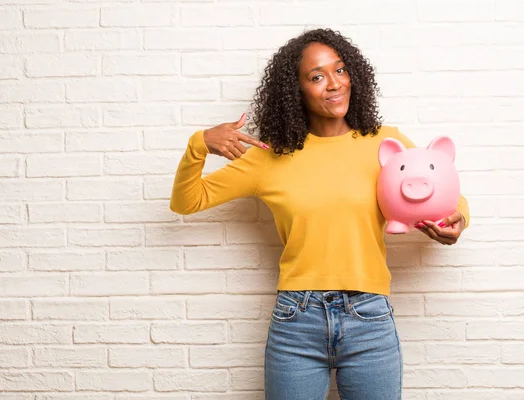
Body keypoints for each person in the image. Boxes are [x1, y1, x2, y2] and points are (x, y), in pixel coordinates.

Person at [169, 28, 469, 400]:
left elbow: (444, 193)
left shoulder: (382, 142)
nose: (334, 84)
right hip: (296, 320)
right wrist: (198, 144)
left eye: (340, 70)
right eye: (317, 76)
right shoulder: (269, 158)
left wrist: (457, 220)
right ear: (295, 91)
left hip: (369, 317)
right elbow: (187, 201)